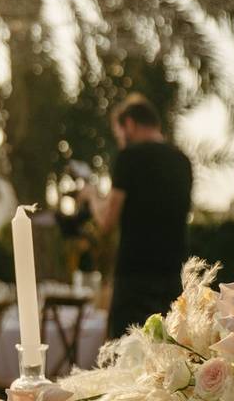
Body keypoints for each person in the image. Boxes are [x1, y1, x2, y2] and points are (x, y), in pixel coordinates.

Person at [81, 94, 193, 339]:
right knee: (169, 358)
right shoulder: (182, 161)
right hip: (174, 276)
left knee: (126, 356)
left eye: (119, 133)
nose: (120, 140)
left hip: (135, 278)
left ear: (129, 124)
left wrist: (91, 197)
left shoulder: (129, 158)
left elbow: (107, 222)